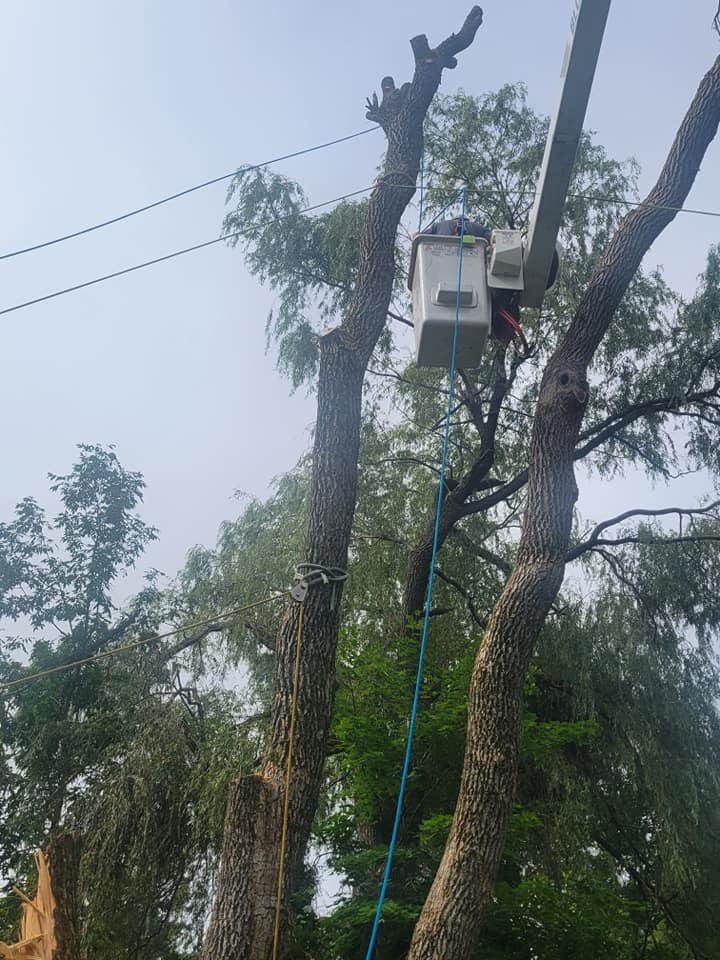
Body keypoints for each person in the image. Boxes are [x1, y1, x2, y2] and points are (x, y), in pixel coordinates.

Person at [425, 217, 559, 356]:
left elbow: (419, 239)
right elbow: (492, 239)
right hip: (472, 278)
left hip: (448, 272)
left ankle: (503, 329)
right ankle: (503, 329)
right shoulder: (477, 227)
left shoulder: (438, 227)